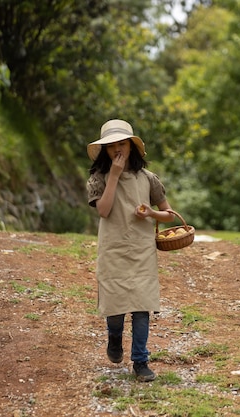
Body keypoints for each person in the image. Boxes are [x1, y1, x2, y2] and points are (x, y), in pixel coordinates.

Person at [86, 119, 175, 382]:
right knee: (115, 307)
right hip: (113, 250)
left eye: (122, 143)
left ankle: (140, 361)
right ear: (105, 151)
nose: (117, 150)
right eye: (111, 146)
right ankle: (114, 337)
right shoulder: (98, 179)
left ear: (132, 146)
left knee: (141, 305)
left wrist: (151, 212)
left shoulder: (149, 180)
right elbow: (103, 210)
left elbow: (169, 214)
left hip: (142, 250)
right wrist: (114, 175)